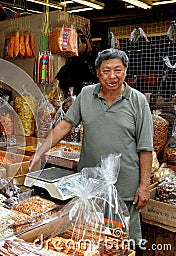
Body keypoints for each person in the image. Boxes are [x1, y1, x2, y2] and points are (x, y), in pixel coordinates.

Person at [30, 48, 153, 251]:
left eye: (117, 70)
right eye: (106, 71)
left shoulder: (138, 101)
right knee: (90, 235)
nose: (112, 76)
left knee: (125, 238)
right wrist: (40, 151)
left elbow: (146, 147)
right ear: (97, 72)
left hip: (125, 185)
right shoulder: (86, 95)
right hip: (90, 183)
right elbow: (64, 125)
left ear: (125, 71)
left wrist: (144, 186)